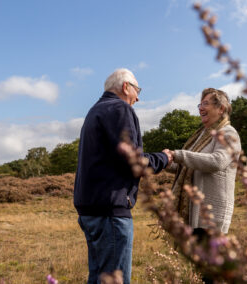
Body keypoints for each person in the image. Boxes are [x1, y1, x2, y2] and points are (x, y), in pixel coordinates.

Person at [74, 68, 171, 284]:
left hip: (92, 209)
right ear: (126, 87)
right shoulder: (120, 109)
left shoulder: (95, 111)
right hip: (110, 211)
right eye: (138, 90)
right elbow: (133, 162)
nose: (138, 97)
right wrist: (163, 158)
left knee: (99, 278)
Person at [165, 88, 241, 235]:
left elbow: (217, 162)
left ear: (221, 108)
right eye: (200, 105)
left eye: (205, 104)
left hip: (212, 217)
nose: (201, 108)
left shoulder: (228, 133)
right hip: (195, 214)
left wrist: (178, 154)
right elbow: (187, 165)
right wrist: (166, 161)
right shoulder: (201, 136)